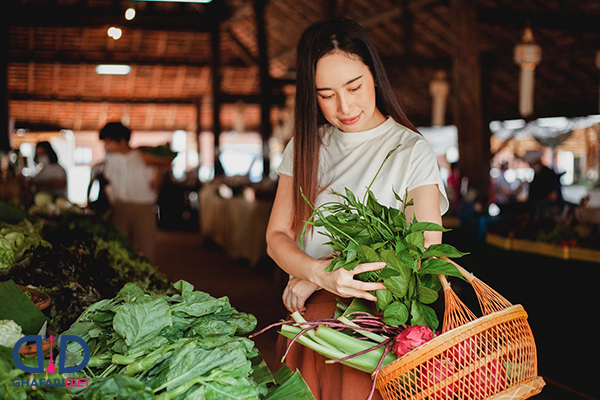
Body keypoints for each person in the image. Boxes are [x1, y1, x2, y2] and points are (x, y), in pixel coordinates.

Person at [265, 18, 449, 400]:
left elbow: (422, 252)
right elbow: (276, 237)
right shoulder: (305, 146)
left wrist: (318, 276)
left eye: (355, 87)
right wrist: (315, 274)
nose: (344, 106)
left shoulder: (410, 151)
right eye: (326, 94)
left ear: (375, 77)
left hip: (372, 328)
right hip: (308, 322)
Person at [99, 122, 165, 262]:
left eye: (108, 142)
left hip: (144, 209)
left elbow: (155, 185)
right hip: (120, 207)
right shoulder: (111, 160)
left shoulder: (145, 158)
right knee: (120, 248)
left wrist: (160, 170)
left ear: (122, 141)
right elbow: (109, 184)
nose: (106, 146)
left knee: (144, 248)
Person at [523, 150, 563, 215]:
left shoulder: (549, 174)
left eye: (532, 163)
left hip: (550, 211)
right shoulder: (537, 175)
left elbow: (553, 196)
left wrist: (538, 202)